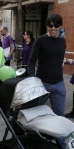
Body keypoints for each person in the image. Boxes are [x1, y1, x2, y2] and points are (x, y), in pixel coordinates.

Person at [27, 14, 66, 149]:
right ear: (47, 26)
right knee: (37, 115)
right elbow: (31, 61)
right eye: (50, 25)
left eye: (56, 25)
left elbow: (58, 60)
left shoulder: (62, 41)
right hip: (42, 84)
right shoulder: (40, 41)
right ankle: (36, 142)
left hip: (59, 84)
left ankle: (62, 145)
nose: (53, 28)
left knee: (60, 116)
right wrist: (33, 78)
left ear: (60, 26)